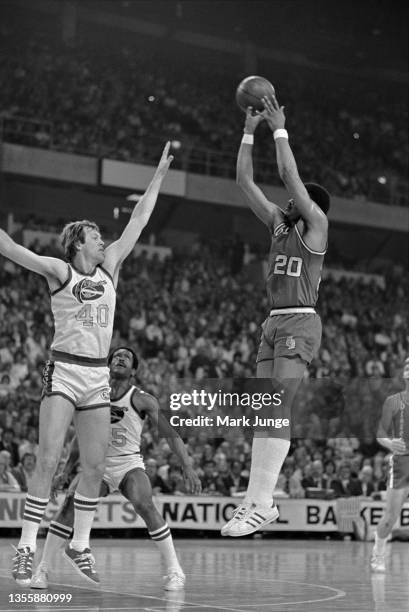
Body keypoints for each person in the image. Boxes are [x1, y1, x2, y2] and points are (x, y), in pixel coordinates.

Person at [0, 142, 173, 585]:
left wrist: (158, 177)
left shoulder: (111, 267)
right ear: (79, 243)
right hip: (64, 369)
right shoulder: (61, 271)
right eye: (96, 236)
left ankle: (79, 543)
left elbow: (139, 220)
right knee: (49, 459)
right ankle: (24, 547)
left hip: (96, 374)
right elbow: (12, 248)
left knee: (94, 466)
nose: (104, 240)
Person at [221, 95, 330, 536]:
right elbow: (244, 182)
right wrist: (249, 130)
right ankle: (254, 503)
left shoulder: (317, 226)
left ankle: (263, 502)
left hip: (301, 321)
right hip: (273, 322)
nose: (286, 201)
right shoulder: (279, 226)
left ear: (308, 207)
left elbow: (289, 173)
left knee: (278, 405)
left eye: (294, 201)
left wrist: (279, 126)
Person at [31, 346, 201, 591]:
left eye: (127, 357)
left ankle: (175, 571)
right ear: (108, 365)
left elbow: (171, 434)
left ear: (133, 371)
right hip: (95, 463)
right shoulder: (91, 395)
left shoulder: (143, 399)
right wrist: (67, 470)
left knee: (145, 503)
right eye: (117, 356)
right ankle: (42, 569)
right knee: (68, 507)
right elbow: (80, 437)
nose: (120, 358)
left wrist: (188, 466)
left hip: (127, 462)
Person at [371, 357, 409, 572]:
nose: (408, 368)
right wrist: (390, 443)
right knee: (390, 518)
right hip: (402, 462)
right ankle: (378, 553)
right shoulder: (393, 401)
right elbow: (379, 434)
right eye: (406, 365)